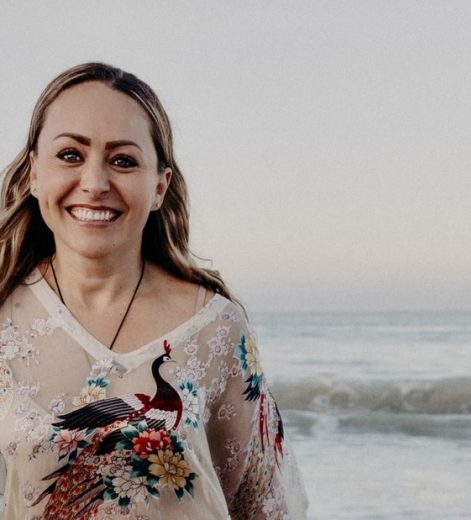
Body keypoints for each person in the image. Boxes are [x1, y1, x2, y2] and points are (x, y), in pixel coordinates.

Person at [0, 63, 307, 520]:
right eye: (70, 155)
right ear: (34, 174)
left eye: (123, 161)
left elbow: (263, 505)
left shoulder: (216, 327)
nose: (95, 183)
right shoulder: (5, 316)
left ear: (160, 186)